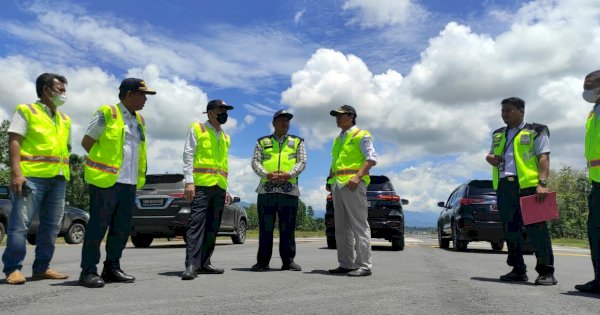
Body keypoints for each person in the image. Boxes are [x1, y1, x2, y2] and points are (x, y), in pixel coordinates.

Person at [79, 78, 155, 288]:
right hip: (106, 181)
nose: (145, 99)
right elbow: (87, 142)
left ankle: (112, 268)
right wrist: (103, 166)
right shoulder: (107, 113)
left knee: (121, 229)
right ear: (130, 94)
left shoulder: (139, 119)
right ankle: (88, 271)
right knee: (97, 227)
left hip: (129, 182)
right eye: (142, 94)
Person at [2, 73, 71, 285]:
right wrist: (16, 173)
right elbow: (14, 140)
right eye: (60, 89)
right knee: (20, 224)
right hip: (32, 177)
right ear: (45, 90)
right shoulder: (27, 110)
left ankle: (42, 268)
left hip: (58, 178)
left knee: (51, 226)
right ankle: (13, 268)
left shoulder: (64, 119)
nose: (64, 94)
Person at [485, 97, 557, 285]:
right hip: (505, 186)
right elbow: (492, 153)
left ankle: (546, 272)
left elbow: (544, 156)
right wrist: (490, 157)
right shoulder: (498, 134)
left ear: (521, 111)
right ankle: (518, 270)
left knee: (537, 230)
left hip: (529, 187)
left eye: (509, 110)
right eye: (502, 111)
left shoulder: (536, 130)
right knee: (510, 229)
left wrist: (542, 183)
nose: (504, 114)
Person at [181, 99, 234, 280]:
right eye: (221, 109)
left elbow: (224, 164)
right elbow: (188, 155)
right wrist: (189, 182)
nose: (224, 113)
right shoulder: (198, 129)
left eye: (226, 110)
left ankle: (205, 263)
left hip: (219, 186)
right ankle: (191, 264)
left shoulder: (225, 136)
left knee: (213, 226)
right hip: (201, 185)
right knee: (196, 225)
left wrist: (227, 189)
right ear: (211, 112)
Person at [250, 109, 306, 271]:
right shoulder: (262, 141)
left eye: (287, 120)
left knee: (287, 228)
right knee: (265, 228)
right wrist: (267, 174)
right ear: (273, 123)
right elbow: (255, 162)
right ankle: (262, 261)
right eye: (281, 120)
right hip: (266, 190)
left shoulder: (298, 141)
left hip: (289, 190)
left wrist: (289, 174)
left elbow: (302, 162)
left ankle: (288, 261)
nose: (284, 123)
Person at [326, 105, 377, 277]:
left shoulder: (361, 134)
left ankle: (364, 265)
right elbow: (335, 162)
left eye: (340, 115)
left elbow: (371, 158)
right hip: (338, 184)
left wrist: (358, 177)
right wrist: (329, 179)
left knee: (359, 225)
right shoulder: (337, 139)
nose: (337, 119)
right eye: (336, 116)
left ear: (351, 116)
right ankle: (346, 263)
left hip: (353, 183)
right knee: (341, 227)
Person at [576, 70, 600, 294]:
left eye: (589, 86)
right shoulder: (593, 113)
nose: (586, 91)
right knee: (595, 230)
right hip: (597, 182)